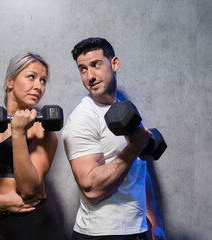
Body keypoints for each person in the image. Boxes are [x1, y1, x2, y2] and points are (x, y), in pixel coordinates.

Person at [62, 37, 166, 240]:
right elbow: (90, 189)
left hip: (137, 230)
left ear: (114, 63)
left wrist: (154, 221)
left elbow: (138, 170)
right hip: (102, 234)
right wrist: (134, 147)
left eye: (96, 65)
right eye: (83, 69)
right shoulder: (83, 118)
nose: (90, 76)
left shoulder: (126, 110)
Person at [0, 52, 64, 240]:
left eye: (43, 80)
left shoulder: (42, 129)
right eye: (32, 77)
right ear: (10, 81)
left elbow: (29, 188)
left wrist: (18, 132)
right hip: (3, 227)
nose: (38, 86)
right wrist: (1, 200)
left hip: (34, 225)